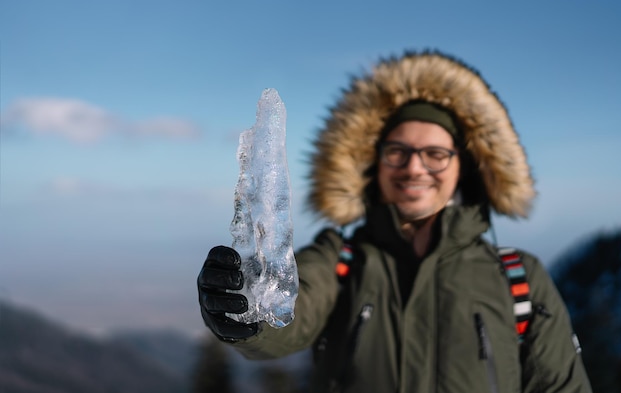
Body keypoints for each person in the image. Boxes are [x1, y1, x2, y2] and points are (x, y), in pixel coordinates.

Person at [197, 50, 592, 393]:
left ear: (463, 168)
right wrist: (241, 307)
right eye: (397, 151)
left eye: (435, 153)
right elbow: (290, 318)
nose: (414, 166)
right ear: (375, 164)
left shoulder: (519, 278)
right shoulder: (341, 261)